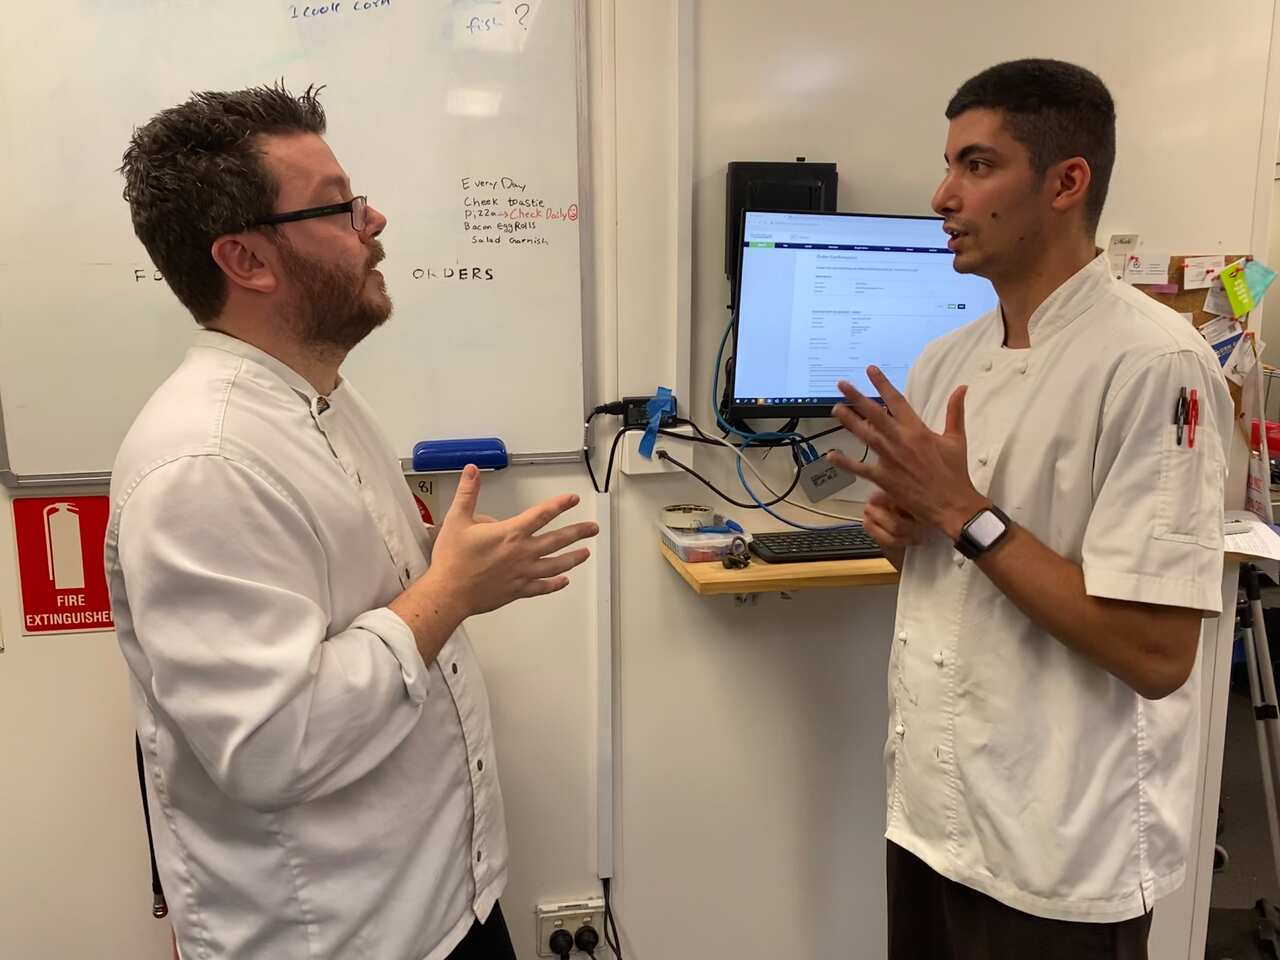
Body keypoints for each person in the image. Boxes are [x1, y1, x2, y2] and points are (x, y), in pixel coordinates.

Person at [107, 83, 597, 960]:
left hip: (441, 904)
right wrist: (448, 594)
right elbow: (270, 748)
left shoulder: (321, 399)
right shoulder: (205, 464)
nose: (374, 219)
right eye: (339, 206)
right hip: (336, 937)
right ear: (247, 260)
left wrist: (446, 581)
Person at [828, 59, 1233, 959]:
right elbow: (938, 565)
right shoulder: (944, 360)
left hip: (1060, 850)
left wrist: (964, 514)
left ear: (1066, 182)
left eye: (976, 166)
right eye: (948, 165)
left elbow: (1159, 654)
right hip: (931, 820)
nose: (942, 195)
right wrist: (906, 530)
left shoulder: (1154, 366)